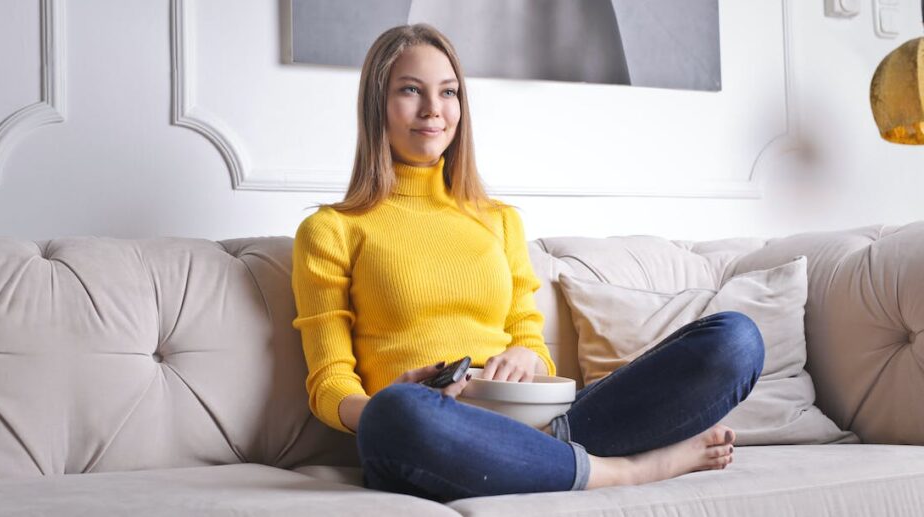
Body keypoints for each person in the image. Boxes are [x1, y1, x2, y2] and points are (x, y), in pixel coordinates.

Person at [291, 23, 765, 502]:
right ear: (377, 105)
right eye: (411, 90)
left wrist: (526, 358)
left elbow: (532, 345)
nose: (434, 109)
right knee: (396, 414)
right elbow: (329, 382)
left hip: (534, 423)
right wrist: (383, 402)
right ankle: (625, 472)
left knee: (735, 339)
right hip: (427, 434)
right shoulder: (331, 229)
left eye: (449, 92)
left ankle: (545, 457)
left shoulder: (498, 221)